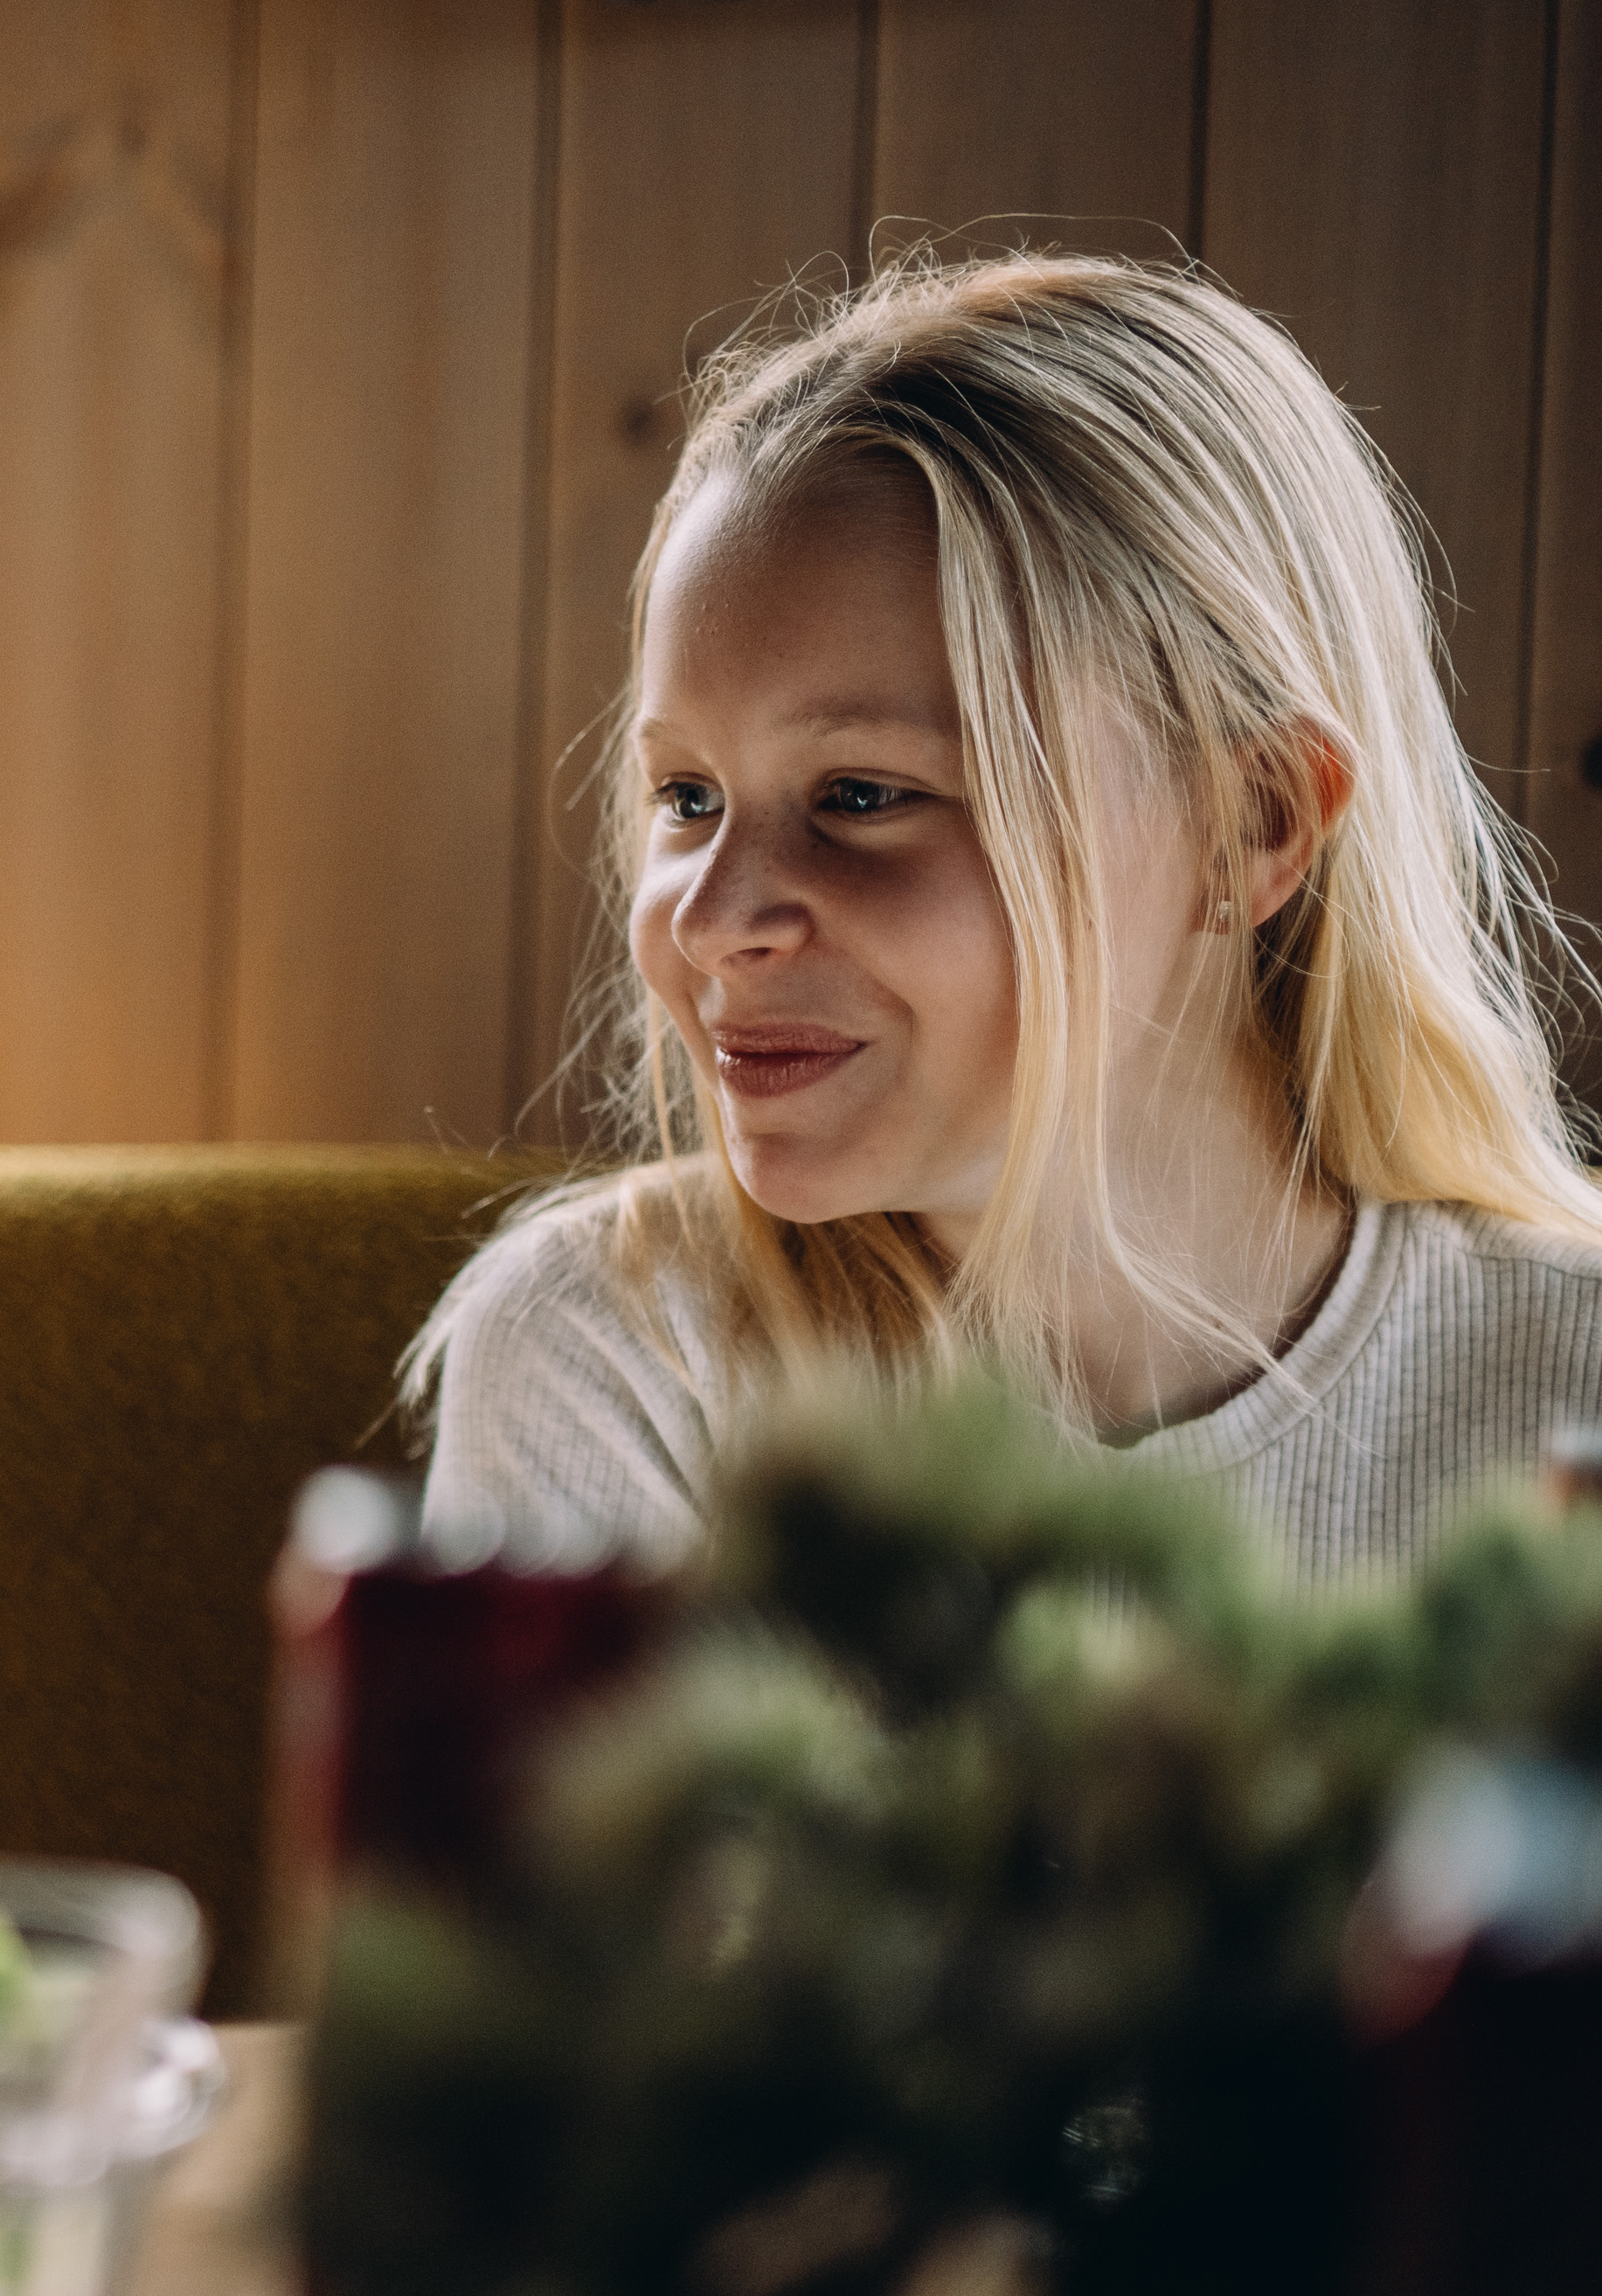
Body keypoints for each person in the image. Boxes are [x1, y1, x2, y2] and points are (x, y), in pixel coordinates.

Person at [412, 253, 1602, 1577]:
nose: (712, 920)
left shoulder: (1573, 1381)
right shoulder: (610, 1355)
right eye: (686, 796)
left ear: (1252, 821)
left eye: (861, 793)